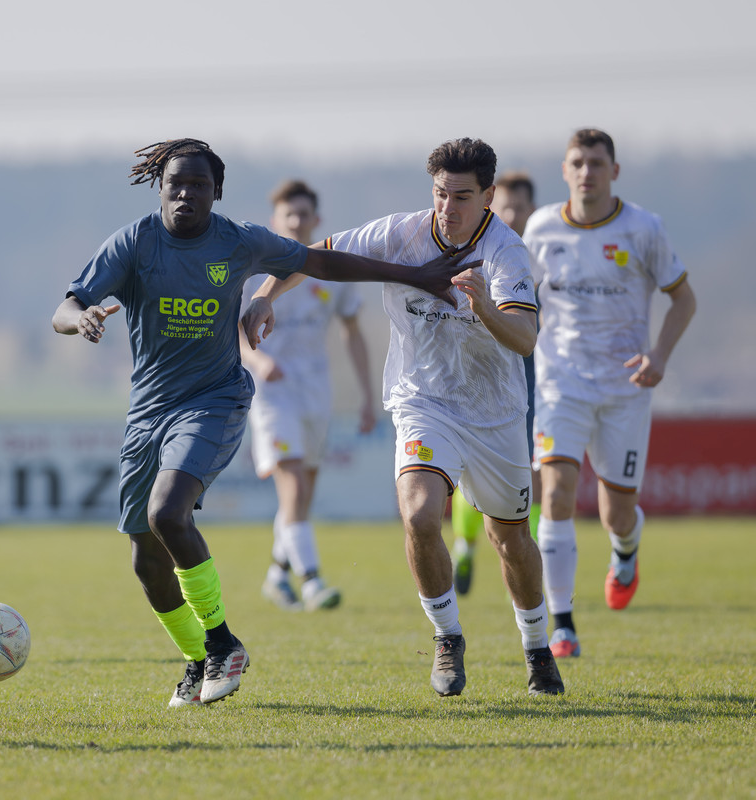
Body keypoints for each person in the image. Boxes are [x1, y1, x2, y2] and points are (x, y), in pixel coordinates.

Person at [52, 138, 475, 708]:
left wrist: (415, 274)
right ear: (160, 188)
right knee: (145, 559)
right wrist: (81, 319)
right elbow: (65, 307)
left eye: (199, 185)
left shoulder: (238, 240)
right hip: (147, 412)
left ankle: (224, 643)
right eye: (176, 184)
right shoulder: (134, 242)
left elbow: (319, 261)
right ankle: (197, 660)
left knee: (167, 513)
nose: (185, 193)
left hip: (214, 399)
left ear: (216, 192)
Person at [244, 138, 565, 697]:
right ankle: (447, 637)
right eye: (440, 194)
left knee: (510, 540)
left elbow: (524, 338)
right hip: (423, 402)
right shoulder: (401, 233)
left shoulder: (506, 252)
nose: (448, 207)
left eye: (462, 197)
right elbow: (315, 255)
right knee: (419, 515)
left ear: (489, 196)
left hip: (494, 415)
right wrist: (267, 293)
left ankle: (537, 648)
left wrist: (485, 306)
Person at [525, 129, 696, 659]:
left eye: (596, 163)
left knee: (616, 514)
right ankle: (561, 625)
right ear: (564, 170)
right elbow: (518, 297)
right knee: (555, 494)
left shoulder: (643, 228)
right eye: (577, 162)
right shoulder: (541, 228)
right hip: (560, 383)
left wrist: (659, 356)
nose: (586, 172)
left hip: (626, 388)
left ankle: (625, 549)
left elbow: (684, 300)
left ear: (614, 171)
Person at [238, 179, 376, 612]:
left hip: (316, 392)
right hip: (272, 393)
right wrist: (258, 362)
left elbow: (352, 331)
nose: (297, 221)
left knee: (301, 495)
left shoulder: (330, 269)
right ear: (275, 221)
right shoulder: (254, 271)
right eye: (289, 214)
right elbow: (233, 332)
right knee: (294, 486)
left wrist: (368, 395)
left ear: (317, 219)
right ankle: (312, 580)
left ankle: (277, 574)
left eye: (303, 214)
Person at [451, 170, 540, 594]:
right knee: (469, 468)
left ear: (532, 210)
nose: (512, 215)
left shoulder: (540, 255)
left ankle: (526, 552)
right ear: (490, 205)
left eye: (520, 208)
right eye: (506, 207)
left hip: (531, 376)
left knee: (528, 470)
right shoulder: (478, 250)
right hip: (477, 375)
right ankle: (465, 545)